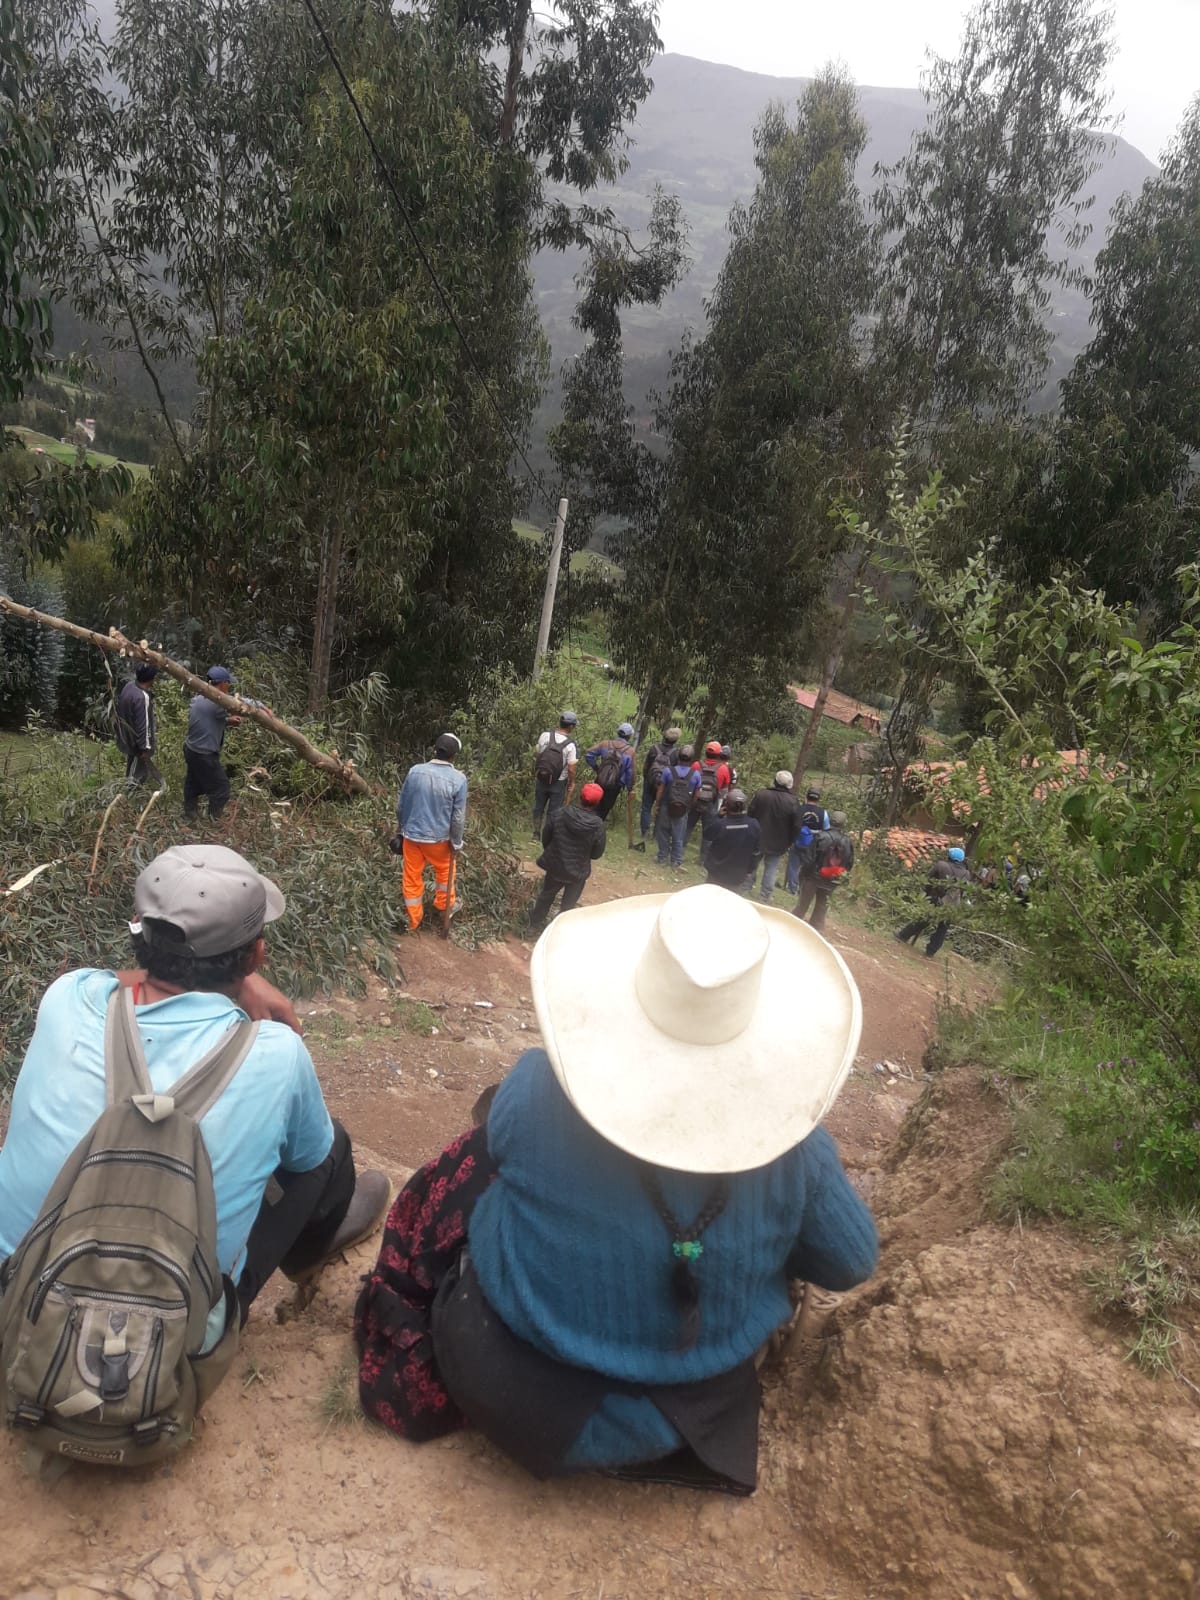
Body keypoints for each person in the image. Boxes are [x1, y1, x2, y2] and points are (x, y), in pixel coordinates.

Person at [355, 884, 877, 1491]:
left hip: (506, 1386)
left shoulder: (538, 1089)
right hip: (676, 1419)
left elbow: (497, 1142)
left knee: (478, 1161)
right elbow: (852, 1259)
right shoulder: (800, 1152)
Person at [0, 846, 389, 1413]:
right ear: (256, 954)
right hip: (157, 1356)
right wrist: (240, 988)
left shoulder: (65, 998)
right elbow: (306, 1158)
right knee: (327, 1150)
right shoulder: (275, 1053)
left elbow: (120, 980)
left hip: (17, 1318)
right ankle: (310, 1256)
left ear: (140, 936)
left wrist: (227, 982)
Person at [397, 732, 468, 934]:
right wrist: (456, 843)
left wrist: (400, 830)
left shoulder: (415, 772)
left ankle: (412, 920)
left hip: (412, 838)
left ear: (435, 750)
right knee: (445, 873)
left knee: (411, 876)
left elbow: (402, 805)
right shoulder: (458, 779)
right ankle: (443, 908)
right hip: (439, 840)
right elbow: (458, 817)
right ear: (454, 756)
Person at [526, 782, 607, 936]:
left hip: (556, 866)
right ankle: (558, 934)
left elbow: (546, 837)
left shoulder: (560, 813)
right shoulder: (598, 826)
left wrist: (555, 852)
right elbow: (596, 854)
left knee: (546, 895)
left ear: (581, 797)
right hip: (578, 871)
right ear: (597, 802)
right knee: (568, 905)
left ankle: (534, 926)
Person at [183, 665, 243, 821]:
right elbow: (238, 706)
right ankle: (213, 821)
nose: (229, 686)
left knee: (193, 782)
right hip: (204, 754)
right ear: (222, 683)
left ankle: (190, 815)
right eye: (228, 683)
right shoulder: (218, 704)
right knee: (221, 789)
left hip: (191, 750)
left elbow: (208, 719)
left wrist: (227, 721)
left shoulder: (198, 698)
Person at [896, 845, 971, 957]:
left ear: (949, 856)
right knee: (942, 929)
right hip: (952, 905)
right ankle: (930, 952)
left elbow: (928, 879)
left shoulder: (941, 865)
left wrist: (926, 895)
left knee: (923, 919)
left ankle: (903, 935)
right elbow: (963, 892)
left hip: (937, 900)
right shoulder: (966, 874)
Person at [793, 810, 855, 935]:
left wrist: (805, 875)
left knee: (802, 905)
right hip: (833, 879)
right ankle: (814, 934)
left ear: (830, 821)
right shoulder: (848, 842)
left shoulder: (820, 836)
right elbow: (849, 863)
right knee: (821, 909)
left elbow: (809, 859)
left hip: (814, 877)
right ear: (844, 824)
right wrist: (839, 876)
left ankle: (792, 927)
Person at [748, 771, 800, 902]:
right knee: (771, 868)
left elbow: (750, 813)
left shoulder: (761, 794)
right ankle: (765, 895)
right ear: (790, 784)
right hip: (779, 842)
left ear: (775, 781)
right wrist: (790, 841)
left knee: (752, 864)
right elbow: (797, 825)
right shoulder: (793, 801)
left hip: (757, 837)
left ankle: (745, 887)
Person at [115, 663, 164, 790]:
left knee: (133, 770)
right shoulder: (142, 698)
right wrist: (145, 749)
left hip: (127, 738)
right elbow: (144, 724)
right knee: (135, 778)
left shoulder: (129, 686)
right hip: (137, 745)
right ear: (152, 679)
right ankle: (128, 801)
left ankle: (131, 796)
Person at [701, 789, 761, 891]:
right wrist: (750, 870)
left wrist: (718, 816)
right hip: (738, 876)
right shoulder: (754, 825)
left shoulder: (721, 824)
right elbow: (756, 851)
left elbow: (707, 834)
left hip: (716, 873)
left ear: (726, 805)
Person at [532, 711, 578, 838]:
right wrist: (571, 783)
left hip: (541, 776)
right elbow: (571, 768)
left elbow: (537, 755)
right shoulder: (571, 745)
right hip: (559, 781)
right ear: (571, 727)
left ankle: (536, 833)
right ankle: (548, 835)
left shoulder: (545, 735)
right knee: (554, 811)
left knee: (538, 806)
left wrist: (537, 771)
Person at [654, 743, 700, 869]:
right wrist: (690, 805)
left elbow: (660, 790)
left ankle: (662, 857)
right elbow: (697, 794)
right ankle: (676, 861)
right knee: (678, 835)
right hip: (683, 808)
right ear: (692, 759)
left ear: (678, 756)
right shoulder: (695, 774)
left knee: (663, 832)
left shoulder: (668, 771)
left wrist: (657, 804)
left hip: (666, 805)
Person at [686, 741, 731, 860]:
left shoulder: (696, 765)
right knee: (709, 831)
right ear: (718, 754)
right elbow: (724, 790)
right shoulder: (723, 769)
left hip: (695, 801)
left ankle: (679, 851)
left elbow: (688, 781)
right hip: (711, 803)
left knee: (687, 827)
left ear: (706, 752)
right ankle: (704, 859)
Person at [584, 722, 637, 822]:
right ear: (629, 736)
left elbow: (589, 754)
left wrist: (597, 769)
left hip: (600, 780)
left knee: (593, 804)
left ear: (618, 733)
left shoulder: (605, 744)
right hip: (615, 785)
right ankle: (596, 826)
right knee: (604, 809)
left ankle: (586, 823)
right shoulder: (630, 751)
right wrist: (629, 788)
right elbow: (630, 773)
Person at [786, 787, 831, 896]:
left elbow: (791, 825)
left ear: (806, 796)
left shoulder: (799, 809)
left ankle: (792, 888)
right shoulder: (823, 813)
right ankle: (802, 889)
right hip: (813, 845)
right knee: (808, 868)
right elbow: (826, 830)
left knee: (793, 866)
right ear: (818, 799)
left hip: (797, 841)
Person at [640, 726, 682, 838]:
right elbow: (675, 772)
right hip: (664, 785)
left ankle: (644, 832)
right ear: (675, 740)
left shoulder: (654, 748)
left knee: (646, 807)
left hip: (650, 781)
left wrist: (646, 779)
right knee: (662, 808)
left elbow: (646, 766)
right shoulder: (676, 754)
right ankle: (656, 834)